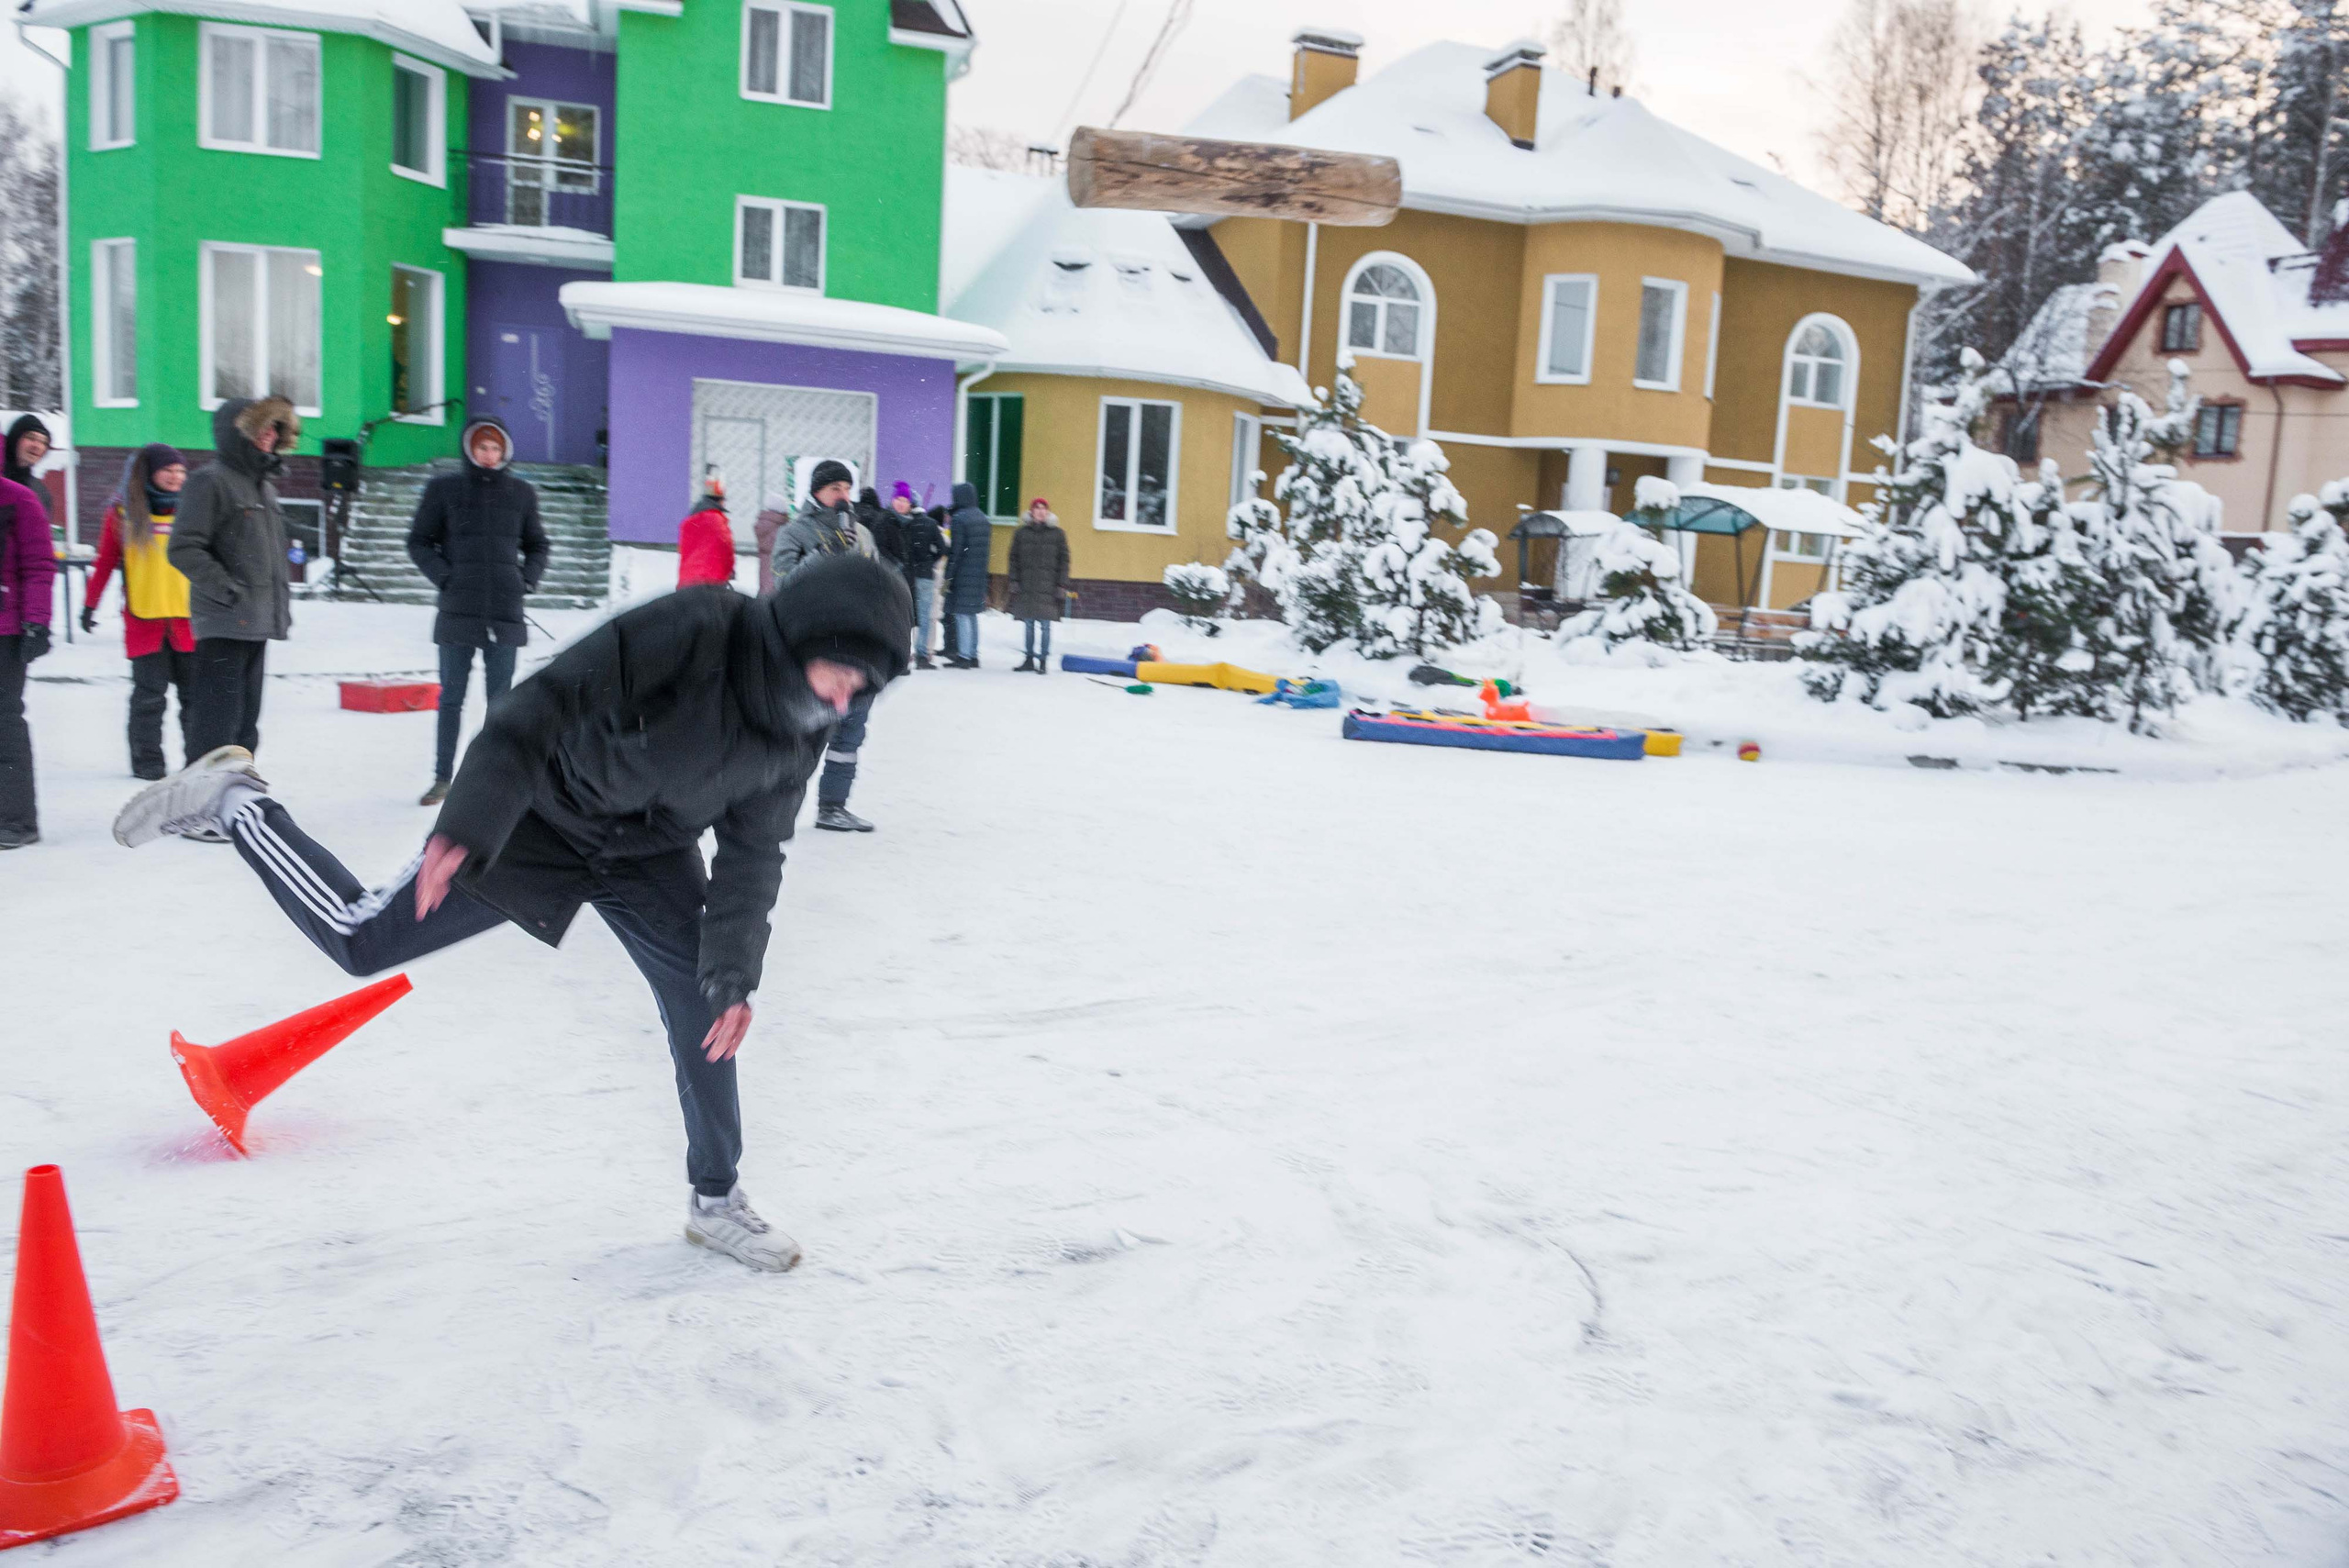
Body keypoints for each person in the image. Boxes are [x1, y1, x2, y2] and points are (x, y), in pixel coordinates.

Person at [110, 554, 913, 1273]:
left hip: (648, 852)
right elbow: (540, 707)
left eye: (862, 688)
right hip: (539, 818)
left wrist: (733, 971)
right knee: (360, 939)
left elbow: (755, 850)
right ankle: (238, 800)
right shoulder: (700, 628)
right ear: (799, 636)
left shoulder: (799, 730)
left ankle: (716, 1198)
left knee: (708, 1008)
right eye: (841, 673)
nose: (845, 698)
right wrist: (470, 823)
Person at [407, 418, 551, 806]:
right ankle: (442, 778)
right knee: (451, 698)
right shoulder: (444, 490)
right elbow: (419, 541)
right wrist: (445, 576)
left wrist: (525, 580)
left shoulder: (521, 493)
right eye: (482, 447)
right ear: (470, 449)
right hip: (458, 611)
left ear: (505, 452)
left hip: (504, 613)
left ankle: (492, 780)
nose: (489, 455)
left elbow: (538, 545)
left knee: (501, 705)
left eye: (495, 448)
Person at [170, 396, 297, 761]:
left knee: (245, 729)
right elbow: (184, 548)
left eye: (275, 428)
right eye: (262, 427)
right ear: (237, 432)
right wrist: (228, 591)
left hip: (256, 622)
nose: (269, 435)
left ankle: (236, 791)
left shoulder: (265, 488)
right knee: (215, 731)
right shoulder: (209, 481)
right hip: (224, 624)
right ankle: (202, 794)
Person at [771, 461, 885, 833]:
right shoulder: (795, 532)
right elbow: (784, 583)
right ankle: (775, 811)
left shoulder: (862, 534)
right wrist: (824, 554)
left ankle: (833, 806)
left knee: (850, 733)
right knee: (802, 735)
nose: (843, 495)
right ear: (816, 491)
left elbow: (877, 583)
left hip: (856, 648)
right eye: (835, 487)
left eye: (847, 488)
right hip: (812, 649)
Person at [81, 444, 196, 779]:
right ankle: (148, 764)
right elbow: (105, 561)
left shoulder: (193, 511)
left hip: (189, 622)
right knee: (149, 698)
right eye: (168, 470)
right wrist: (90, 604)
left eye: (181, 471)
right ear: (149, 473)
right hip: (144, 622)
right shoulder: (123, 514)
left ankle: (198, 762)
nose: (176, 477)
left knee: (195, 699)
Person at [0, 467, 54, 850]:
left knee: (3, 722)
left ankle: (17, 820)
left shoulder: (18, 498)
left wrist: (36, 621)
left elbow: (38, 565)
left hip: (4, 630)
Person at [1007, 497, 1072, 674]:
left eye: (1044, 508)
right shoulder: (1021, 533)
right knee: (1028, 624)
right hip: (1027, 585)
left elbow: (1064, 561)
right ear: (1032, 512)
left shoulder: (1057, 534)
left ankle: (1043, 660)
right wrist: (1014, 580)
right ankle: (1028, 659)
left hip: (1048, 587)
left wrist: (1062, 584)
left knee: (1045, 625)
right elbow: (1013, 559)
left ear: (1048, 512)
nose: (1041, 512)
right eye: (1037, 508)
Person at [891, 484, 945, 669]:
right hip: (926, 575)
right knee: (924, 616)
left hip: (907, 574)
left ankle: (905, 652)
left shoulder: (906, 524)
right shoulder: (930, 524)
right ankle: (922, 654)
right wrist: (930, 560)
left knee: (906, 614)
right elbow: (942, 549)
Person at [944, 481, 993, 670]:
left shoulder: (960, 519)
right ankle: (973, 655)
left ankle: (964, 656)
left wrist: (949, 576)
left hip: (963, 574)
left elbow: (956, 551)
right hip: (978, 574)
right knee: (971, 614)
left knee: (962, 614)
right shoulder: (983, 518)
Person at [677, 473, 734, 588]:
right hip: (711, 583)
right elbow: (726, 550)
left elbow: (683, 551)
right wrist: (729, 572)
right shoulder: (718, 521)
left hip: (686, 582)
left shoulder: (688, 522)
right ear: (720, 501)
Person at [4, 416, 51, 511]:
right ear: (15, 439)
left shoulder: (40, 493)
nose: (37, 446)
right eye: (31, 438)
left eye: (43, 442)